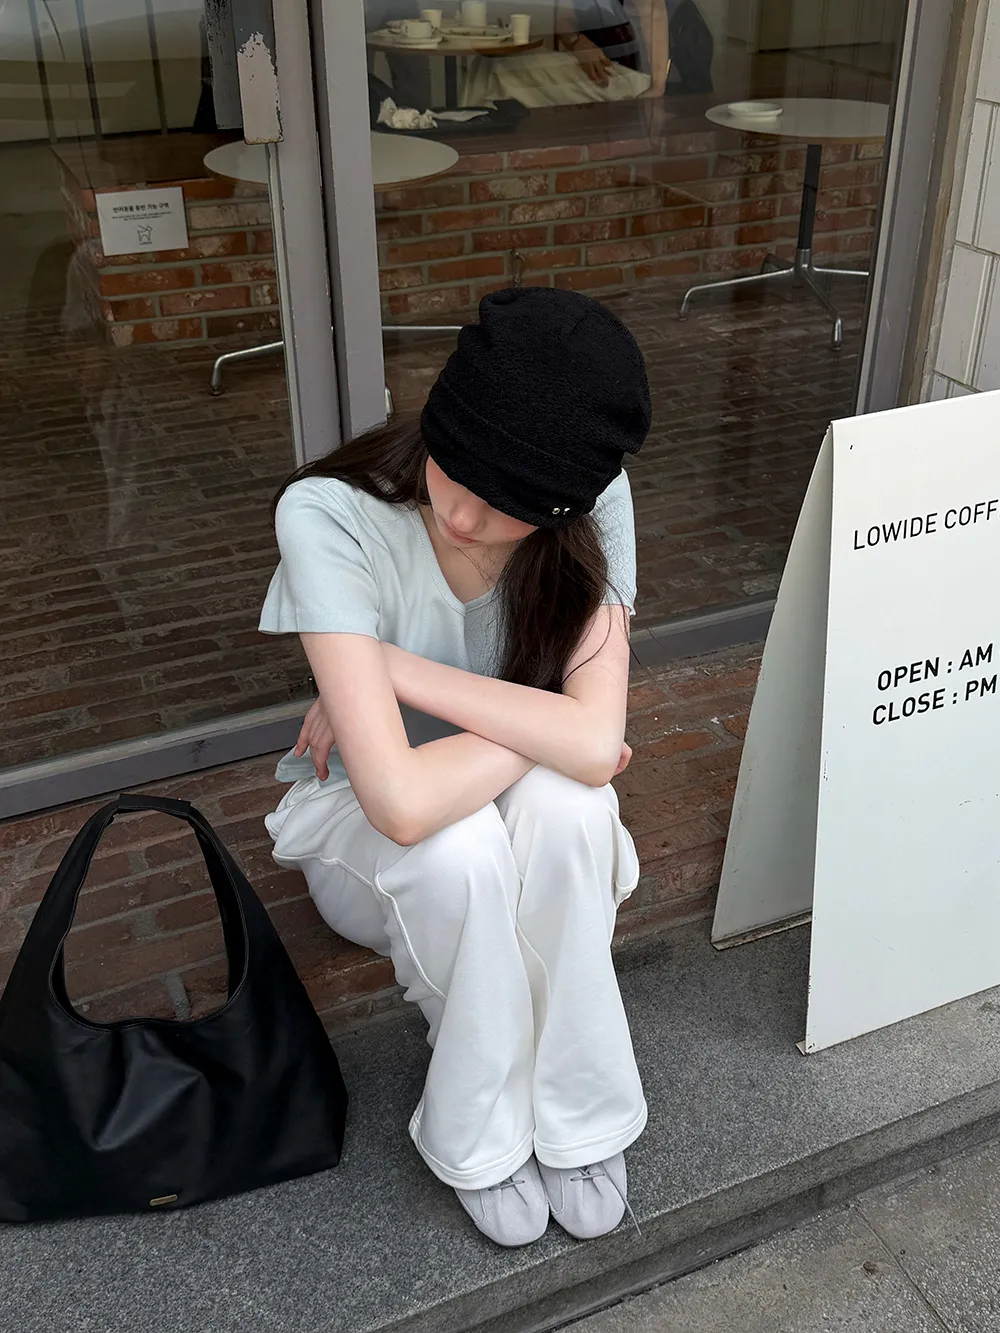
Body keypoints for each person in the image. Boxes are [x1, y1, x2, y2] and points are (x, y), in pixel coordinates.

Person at [259, 287, 651, 1248]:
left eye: (509, 505)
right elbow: (398, 800)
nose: (465, 516)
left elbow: (590, 757)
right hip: (371, 838)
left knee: (568, 808)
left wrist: (390, 669)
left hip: (505, 805)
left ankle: (578, 1111)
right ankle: (479, 1126)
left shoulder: (598, 501)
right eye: (455, 467)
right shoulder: (329, 514)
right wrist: (557, 724)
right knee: (462, 843)